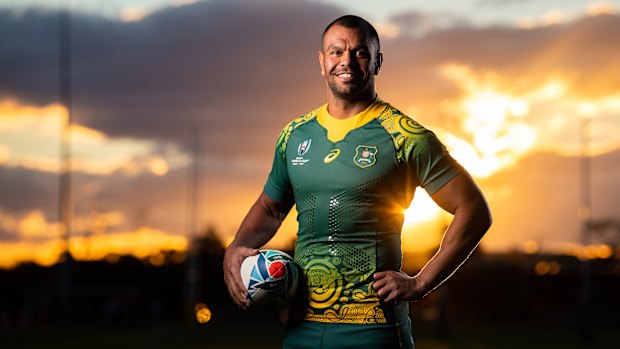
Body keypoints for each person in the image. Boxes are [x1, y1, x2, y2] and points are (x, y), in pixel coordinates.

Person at [224, 15, 492, 349]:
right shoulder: (294, 135)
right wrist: (235, 249)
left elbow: (475, 210)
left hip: (373, 329)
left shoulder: (406, 137)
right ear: (321, 62)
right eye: (336, 52)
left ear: (378, 61)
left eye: (360, 52)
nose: (346, 61)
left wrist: (421, 282)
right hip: (300, 326)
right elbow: (271, 207)